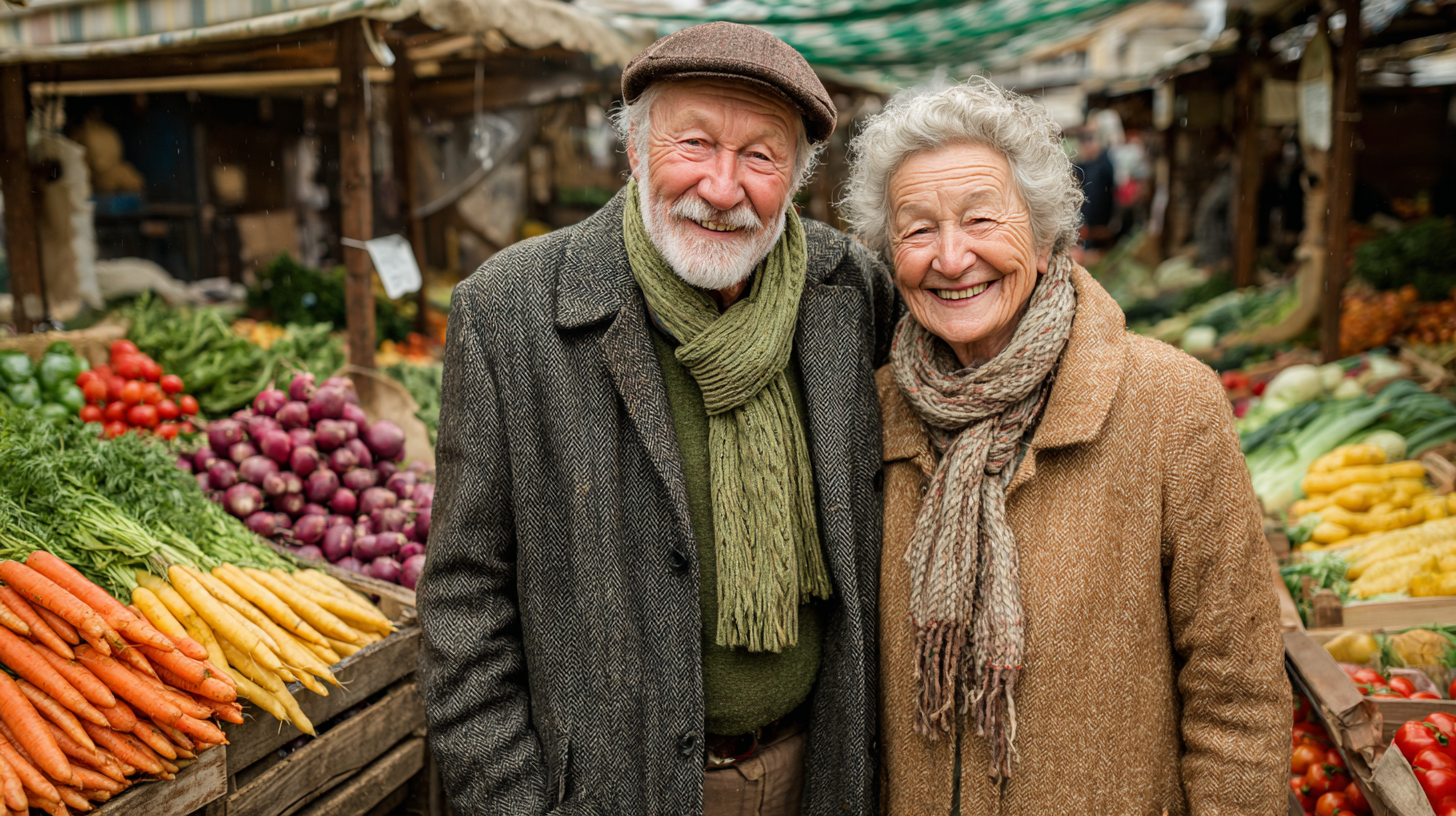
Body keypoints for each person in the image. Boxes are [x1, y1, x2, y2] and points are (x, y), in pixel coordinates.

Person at [417, 22, 897, 816]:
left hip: (816, 774)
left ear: (799, 177)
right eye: (695, 144)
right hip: (611, 792)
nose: (720, 186)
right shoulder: (510, 312)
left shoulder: (848, 295)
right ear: (636, 150)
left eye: (760, 157)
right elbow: (466, 601)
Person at [839, 79, 1289, 814]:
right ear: (891, 253)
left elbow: (1235, 687)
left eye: (982, 219)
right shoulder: (874, 408)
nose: (952, 259)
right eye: (918, 230)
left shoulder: (1168, 404)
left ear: (1046, 236)